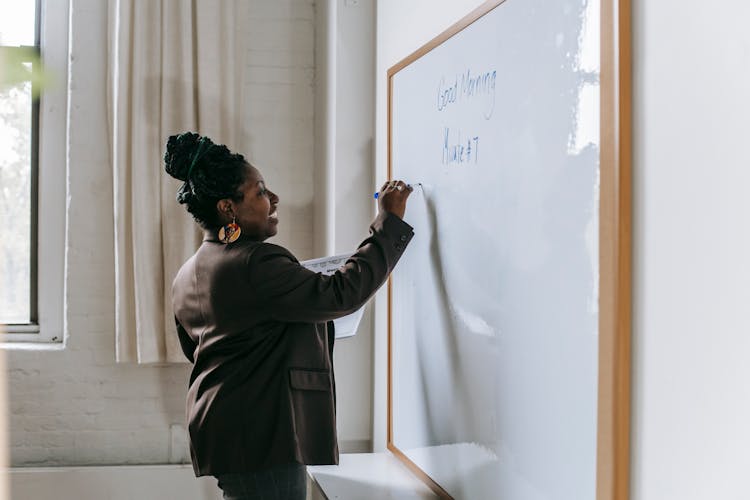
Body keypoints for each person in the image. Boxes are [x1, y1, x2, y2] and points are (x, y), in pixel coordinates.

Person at [164, 132, 414, 500]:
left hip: (223, 431)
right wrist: (387, 222)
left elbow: (205, 349)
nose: (274, 199)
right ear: (227, 208)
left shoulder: (188, 273)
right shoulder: (255, 261)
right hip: (263, 437)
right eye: (260, 192)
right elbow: (342, 293)